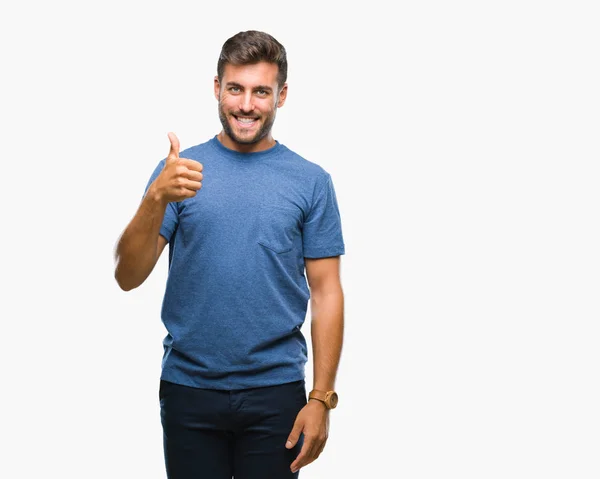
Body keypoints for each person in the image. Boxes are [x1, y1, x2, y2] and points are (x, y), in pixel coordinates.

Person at [113, 30, 345, 479]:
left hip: (276, 392)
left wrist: (321, 398)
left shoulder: (310, 181)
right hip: (189, 389)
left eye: (261, 92)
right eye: (235, 88)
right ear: (217, 88)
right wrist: (154, 200)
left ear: (282, 95)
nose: (246, 104)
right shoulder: (178, 174)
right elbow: (127, 275)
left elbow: (327, 292)